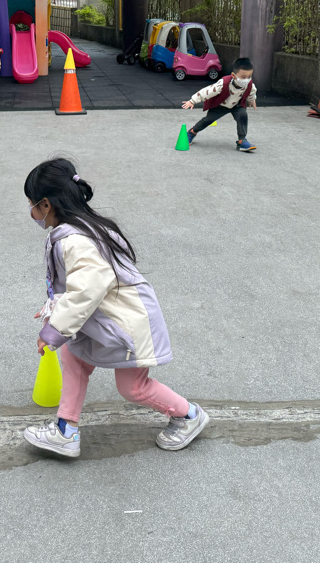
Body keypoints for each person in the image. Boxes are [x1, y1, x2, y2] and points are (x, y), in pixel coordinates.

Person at [22, 158, 209, 458]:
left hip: (129, 324)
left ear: (46, 204)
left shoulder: (77, 240)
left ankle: (189, 416)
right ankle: (66, 430)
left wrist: (54, 331)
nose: (30, 212)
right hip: (106, 319)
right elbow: (78, 287)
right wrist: (54, 308)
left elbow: (85, 292)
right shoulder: (76, 228)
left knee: (133, 388)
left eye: (31, 204)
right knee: (73, 357)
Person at [180, 57, 257, 151]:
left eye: (249, 76)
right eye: (243, 77)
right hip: (221, 105)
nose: (247, 80)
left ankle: (242, 140)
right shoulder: (223, 83)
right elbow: (207, 91)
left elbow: (252, 92)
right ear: (233, 76)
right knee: (208, 120)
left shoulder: (249, 84)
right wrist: (192, 101)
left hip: (236, 105)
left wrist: (252, 100)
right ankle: (192, 132)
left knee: (243, 116)